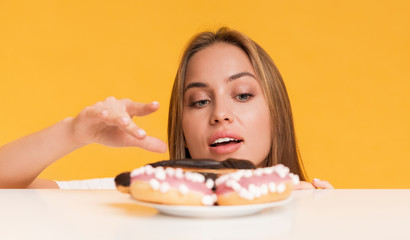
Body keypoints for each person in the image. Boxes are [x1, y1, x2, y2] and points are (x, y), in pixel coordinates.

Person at [0, 27, 332, 189]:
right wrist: (73, 131)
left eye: (242, 95)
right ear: (182, 126)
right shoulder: (135, 198)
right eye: (200, 101)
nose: (220, 113)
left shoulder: (312, 207)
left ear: (277, 113)